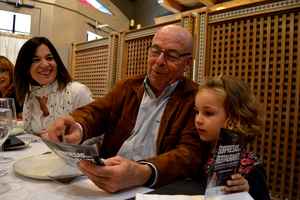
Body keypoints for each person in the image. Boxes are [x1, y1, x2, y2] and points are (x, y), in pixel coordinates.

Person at [48, 25, 205, 193]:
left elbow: (190, 154)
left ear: (187, 63)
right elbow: (96, 112)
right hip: (105, 183)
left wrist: (144, 172)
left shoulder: (195, 99)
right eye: (155, 51)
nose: (159, 61)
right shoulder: (127, 87)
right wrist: (77, 127)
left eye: (172, 55)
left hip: (155, 191)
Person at [194, 74, 270, 200]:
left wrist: (245, 192)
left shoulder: (249, 166)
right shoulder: (197, 151)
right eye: (197, 111)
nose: (198, 120)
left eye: (208, 113)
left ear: (234, 117)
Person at [14, 37, 94, 136]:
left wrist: (64, 137)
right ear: (25, 67)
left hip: (74, 151)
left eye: (49, 58)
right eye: (36, 60)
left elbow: (96, 133)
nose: (45, 64)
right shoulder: (30, 96)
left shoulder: (78, 91)